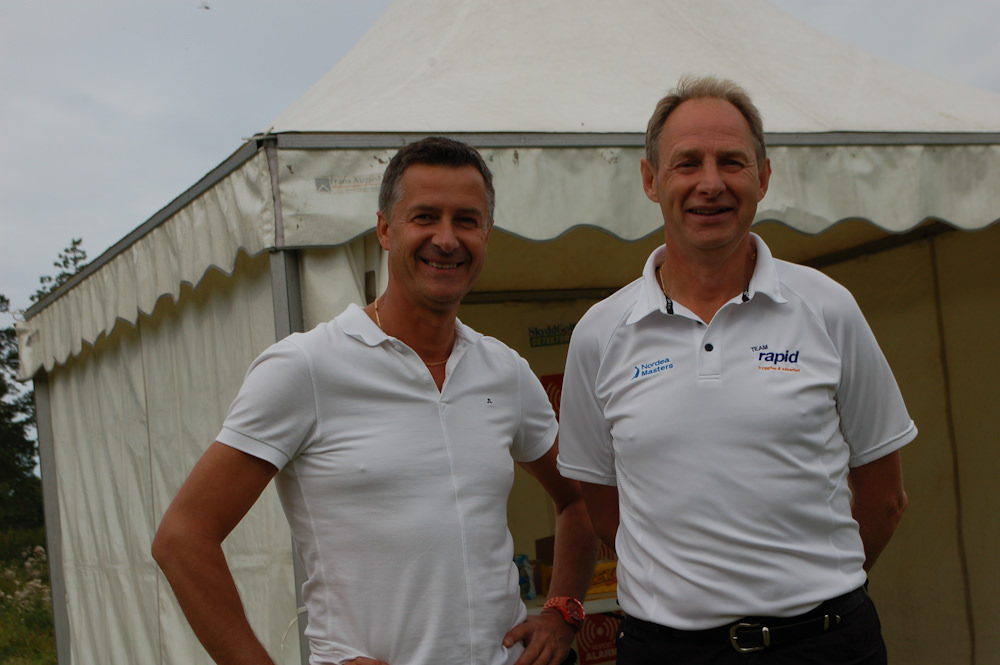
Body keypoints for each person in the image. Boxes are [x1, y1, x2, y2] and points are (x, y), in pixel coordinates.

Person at [153, 137, 598, 665]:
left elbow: (579, 500)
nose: (446, 239)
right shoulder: (306, 367)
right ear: (385, 229)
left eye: (466, 220)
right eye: (425, 217)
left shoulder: (504, 371)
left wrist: (563, 612)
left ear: (487, 235)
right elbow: (183, 538)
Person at [557, 76, 916, 664]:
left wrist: (809, 593)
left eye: (732, 161)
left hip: (825, 646)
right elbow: (604, 510)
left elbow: (885, 498)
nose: (711, 183)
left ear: (763, 177)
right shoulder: (600, 334)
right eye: (687, 163)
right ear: (650, 180)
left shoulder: (827, 308)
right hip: (667, 652)